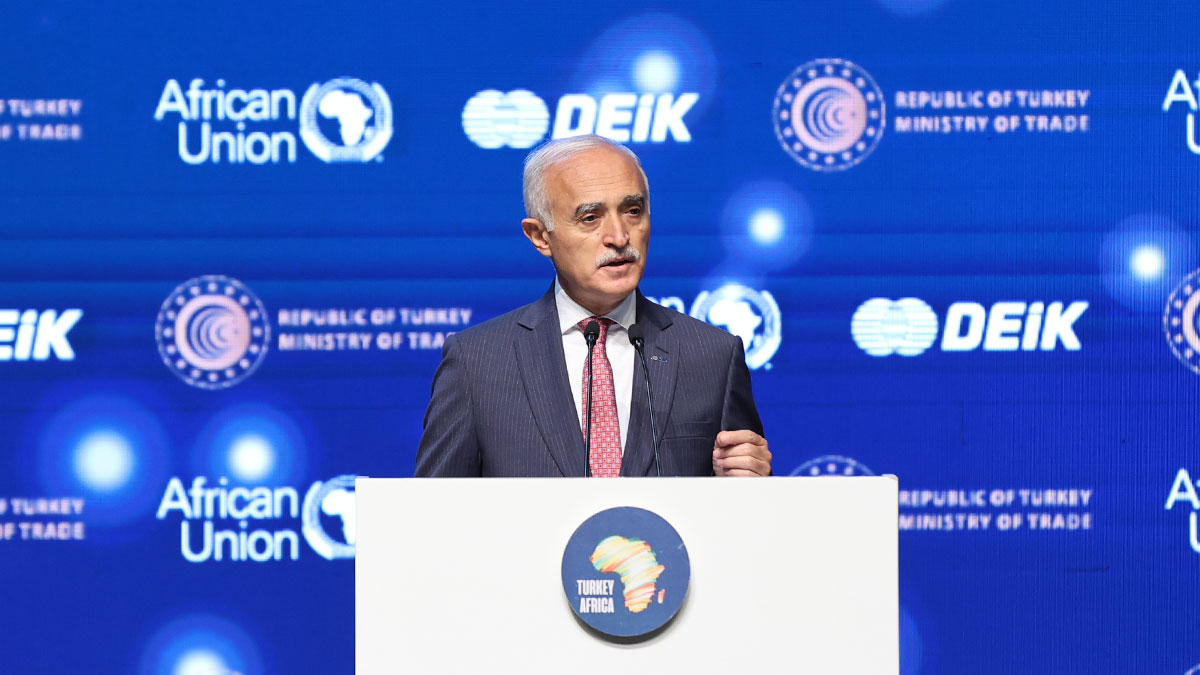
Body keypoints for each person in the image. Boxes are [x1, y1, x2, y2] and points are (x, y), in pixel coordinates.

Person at [414, 135, 771, 477]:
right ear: (540, 236)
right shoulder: (477, 364)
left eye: (633, 211)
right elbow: (434, 509)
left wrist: (746, 485)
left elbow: (748, 507)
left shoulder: (712, 356)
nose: (619, 237)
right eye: (590, 218)